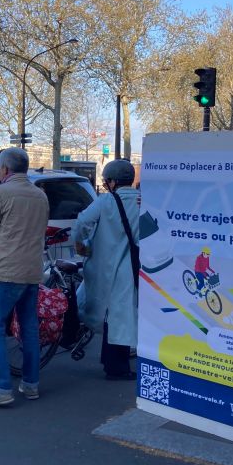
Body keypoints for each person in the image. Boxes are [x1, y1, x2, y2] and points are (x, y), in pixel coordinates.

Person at [0, 147, 49, 407]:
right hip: (31, 270)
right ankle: (31, 383)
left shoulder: (0, 192)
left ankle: (1, 386)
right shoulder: (40, 195)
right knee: (28, 328)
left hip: (5, 270)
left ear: (4, 169)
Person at [73, 158, 139, 381]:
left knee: (113, 317)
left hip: (107, 267)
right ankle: (115, 366)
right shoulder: (143, 202)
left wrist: (80, 243)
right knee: (122, 317)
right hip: (131, 269)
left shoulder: (106, 202)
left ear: (112, 181)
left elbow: (82, 222)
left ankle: (114, 365)